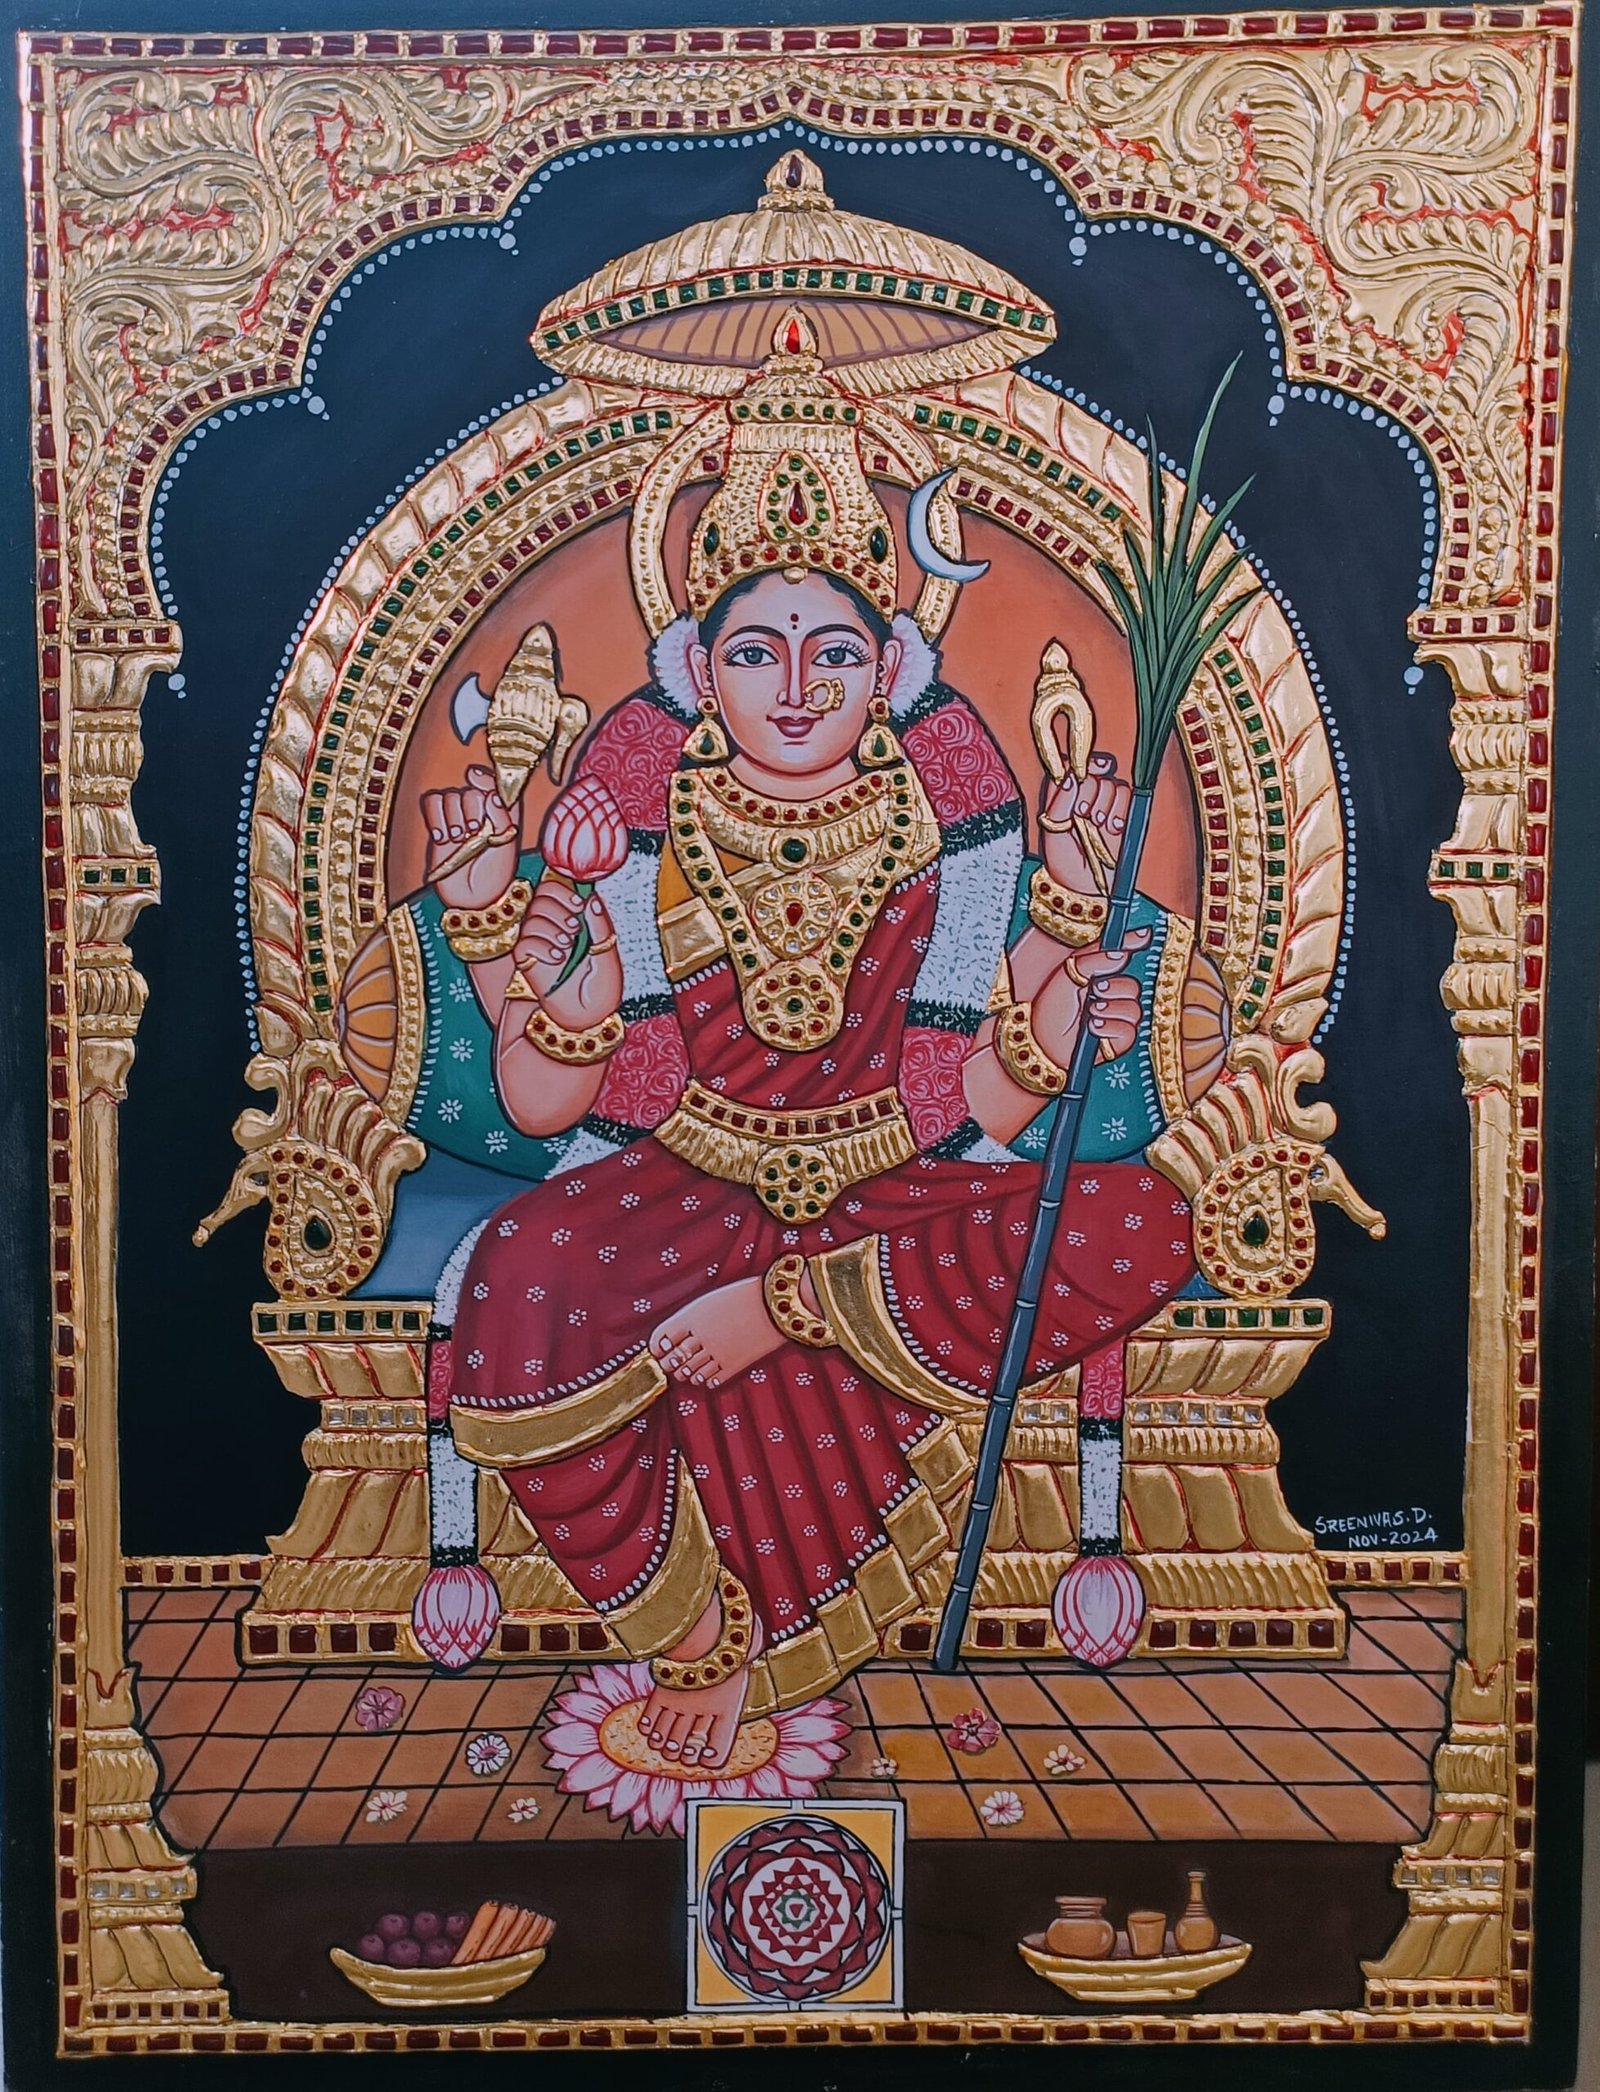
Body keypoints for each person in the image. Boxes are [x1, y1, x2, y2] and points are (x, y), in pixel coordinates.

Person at [416, 324, 1227, 1774]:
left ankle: (797, 1310)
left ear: (889, 670)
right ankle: (697, 1637)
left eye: (835, 653)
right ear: (699, 672)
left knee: (1145, 1217)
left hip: (889, 1197)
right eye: (756, 653)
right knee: (519, 1283)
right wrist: (542, 956)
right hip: (687, 1183)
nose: (796, 687)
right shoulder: (628, 838)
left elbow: (983, 1100)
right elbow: (545, 1103)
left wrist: (1066, 996)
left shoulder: (955, 847)